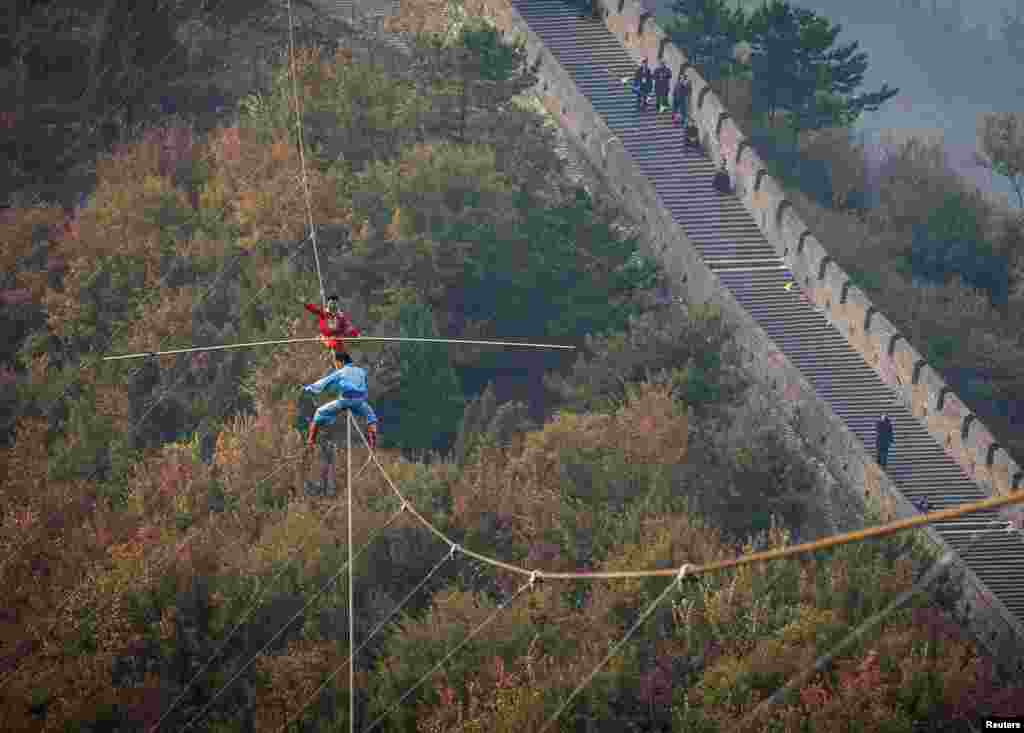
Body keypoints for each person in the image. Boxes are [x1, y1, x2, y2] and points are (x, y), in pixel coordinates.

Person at [301, 351, 379, 450]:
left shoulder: (341, 372)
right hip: (359, 402)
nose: (336, 365)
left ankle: (311, 441)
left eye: (336, 363)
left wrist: (309, 388)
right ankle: (372, 443)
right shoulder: (361, 371)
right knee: (371, 416)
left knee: (319, 412)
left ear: (341, 362)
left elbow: (325, 382)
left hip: (344, 401)